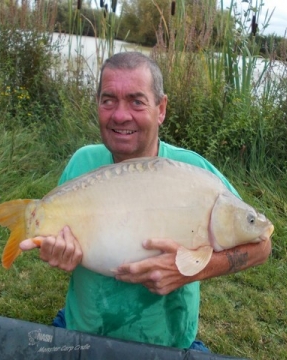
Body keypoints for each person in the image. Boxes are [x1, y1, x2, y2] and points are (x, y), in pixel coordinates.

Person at [20, 52, 271, 351]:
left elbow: (261, 246)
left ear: (161, 108)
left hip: (168, 342)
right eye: (108, 100)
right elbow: (53, 238)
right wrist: (55, 252)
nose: (120, 115)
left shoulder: (198, 175)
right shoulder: (82, 162)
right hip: (84, 331)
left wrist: (192, 270)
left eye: (137, 101)